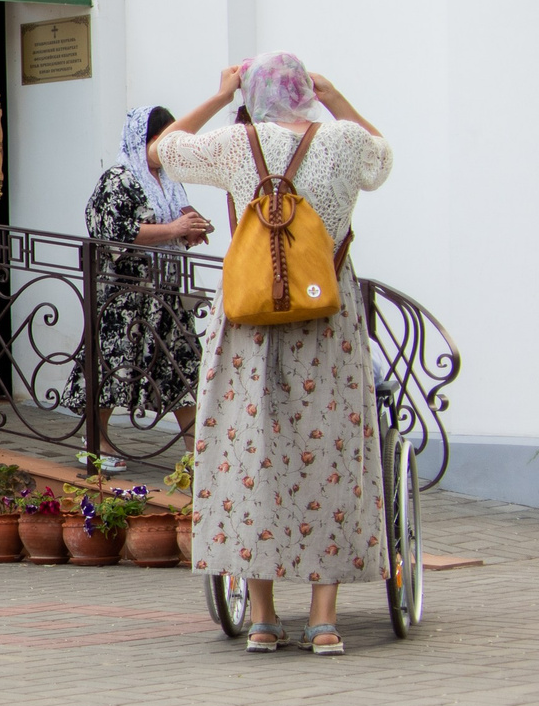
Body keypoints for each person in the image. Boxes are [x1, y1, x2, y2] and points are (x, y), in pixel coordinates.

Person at [151, 53, 392, 656]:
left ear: (253, 95)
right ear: (306, 92)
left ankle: (261, 619)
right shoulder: (339, 141)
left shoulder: (236, 145)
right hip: (327, 323)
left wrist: (218, 93)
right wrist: (335, 97)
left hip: (250, 327)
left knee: (251, 455)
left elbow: (160, 150)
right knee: (329, 452)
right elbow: (383, 160)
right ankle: (325, 621)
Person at [65, 105, 213, 466]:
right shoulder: (119, 179)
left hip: (167, 295)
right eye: (163, 141)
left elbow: (174, 220)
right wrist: (174, 231)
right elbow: (114, 232)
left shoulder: (168, 180)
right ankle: (96, 444)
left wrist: (191, 229)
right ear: (144, 141)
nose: (168, 149)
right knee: (114, 366)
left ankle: (199, 458)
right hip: (126, 297)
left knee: (183, 368)